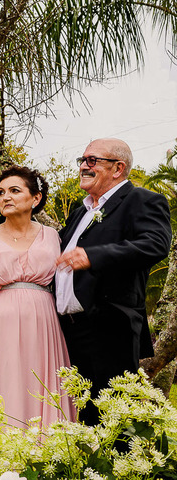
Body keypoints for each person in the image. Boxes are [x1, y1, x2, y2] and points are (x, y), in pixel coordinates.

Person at [54, 139, 172, 425]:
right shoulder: (80, 211)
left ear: (118, 168)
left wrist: (93, 256)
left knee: (111, 419)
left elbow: (155, 244)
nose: (83, 166)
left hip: (109, 328)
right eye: (82, 160)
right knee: (76, 417)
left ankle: (118, 470)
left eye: (92, 160)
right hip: (66, 331)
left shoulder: (142, 200)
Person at [0, 166, 74, 435]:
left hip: (44, 328)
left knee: (43, 390)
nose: (5, 197)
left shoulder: (54, 236)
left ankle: (45, 465)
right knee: (5, 390)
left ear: (35, 199)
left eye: (14, 190)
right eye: (1, 192)